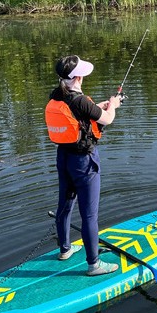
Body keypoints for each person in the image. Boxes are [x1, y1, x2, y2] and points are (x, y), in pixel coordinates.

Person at [45, 55, 121, 276]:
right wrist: (113, 105)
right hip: (83, 162)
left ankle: (65, 250)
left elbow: (78, 114)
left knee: (65, 206)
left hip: (63, 158)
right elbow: (107, 119)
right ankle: (94, 265)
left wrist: (97, 107)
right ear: (78, 77)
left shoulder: (56, 95)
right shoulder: (80, 101)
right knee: (89, 215)